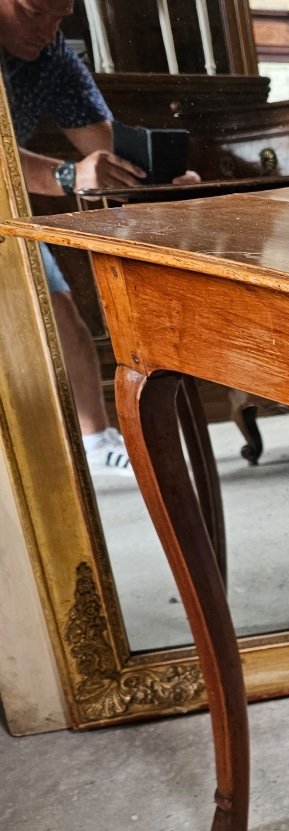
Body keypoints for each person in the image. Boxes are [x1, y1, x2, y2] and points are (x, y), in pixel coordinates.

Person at [0, 0, 196, 475]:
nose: (48, 31)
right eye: (33, 13)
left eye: (59, 17)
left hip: (4, 209)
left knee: (60, 316)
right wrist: (70, 177)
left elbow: (105, 151)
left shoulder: (52, 56)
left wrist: (156, 180)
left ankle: (94, 440)